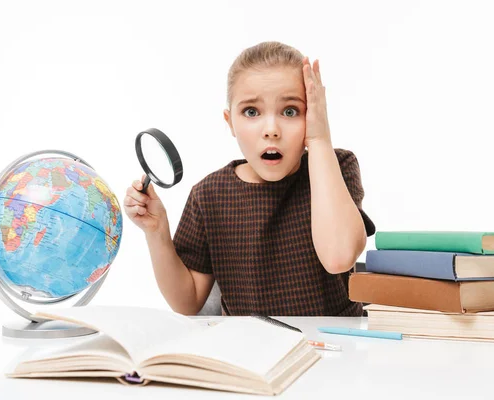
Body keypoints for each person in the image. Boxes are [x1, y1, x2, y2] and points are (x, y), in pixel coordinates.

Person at [124, 41, 375, 316]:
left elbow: (338, 257)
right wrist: (157, 232)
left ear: (312, 115)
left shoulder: (338, 165)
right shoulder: (209, 195)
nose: (271, 130)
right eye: (252, 112)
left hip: (334, 347)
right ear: (230, 121)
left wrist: (319, 139)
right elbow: (187, 301)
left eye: (290, 111)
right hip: (251, 350)